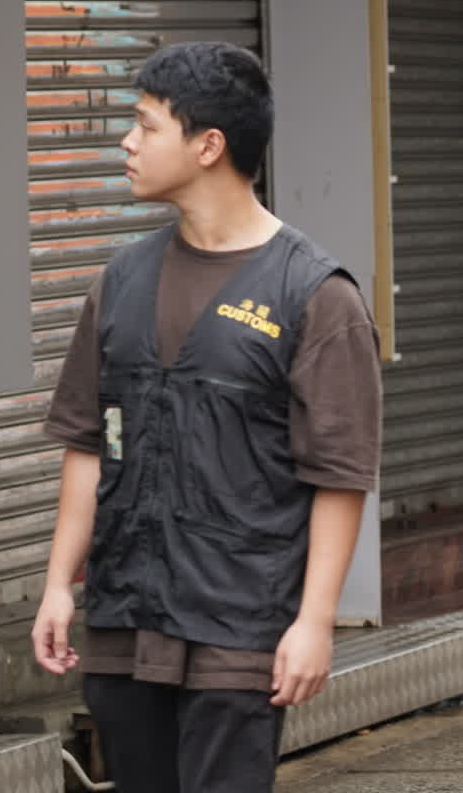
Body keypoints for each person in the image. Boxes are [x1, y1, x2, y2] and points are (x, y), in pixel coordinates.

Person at [29, 42, 381, 793]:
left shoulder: (315, 295)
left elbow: (340, 476)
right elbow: (88, 446)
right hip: (126, 619)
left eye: (147, 125)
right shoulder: (121, 280)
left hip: (239, 628)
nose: (127, 141)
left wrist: (314, 622)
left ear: (208, 145)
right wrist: (60, 582)